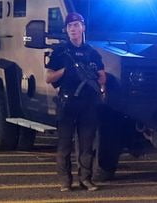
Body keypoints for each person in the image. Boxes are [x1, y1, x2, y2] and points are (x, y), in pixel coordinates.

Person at [45, 11, 107, 192]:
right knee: (64, 145)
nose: (73, 29)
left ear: (83, 28)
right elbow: (49, 78)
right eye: (70, 26)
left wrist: (95, 75)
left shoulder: (92, 53)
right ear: (66, 29)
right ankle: (65, 181)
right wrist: (66, 71)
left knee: (87, 146)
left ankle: (85, 179)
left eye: (76, 25)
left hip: (88, 104)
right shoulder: (60, 52)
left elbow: (103, 77)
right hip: (67, 103)